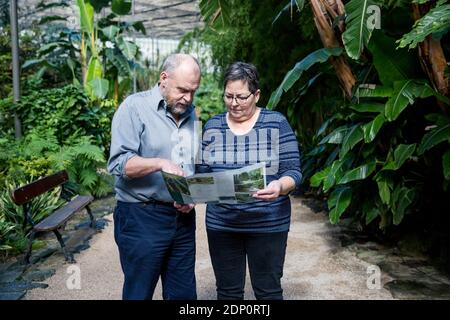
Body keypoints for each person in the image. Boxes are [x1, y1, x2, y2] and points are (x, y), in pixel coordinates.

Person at [200, 62, 301, 300]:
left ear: (256, 95)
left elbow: (294, 172)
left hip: (268, 223)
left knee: (268, 291)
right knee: (227, 293)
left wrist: (279, 186)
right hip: (222, 224)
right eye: (228, 96)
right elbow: (202, 174)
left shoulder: (276, 123)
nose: (234, 103)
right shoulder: (212, 125)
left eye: (241, 97)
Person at [107, 53, 201, 300]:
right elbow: (119, 163)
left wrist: (189, 195)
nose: (188, 98)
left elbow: (189, 167)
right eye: (183, 90)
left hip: (182, 219)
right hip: (141, 217)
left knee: (184, 296)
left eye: (193, 91)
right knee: (139, 293)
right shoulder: (134, 108)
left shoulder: (191, 114)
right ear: (164, 78)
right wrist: (160, 163)